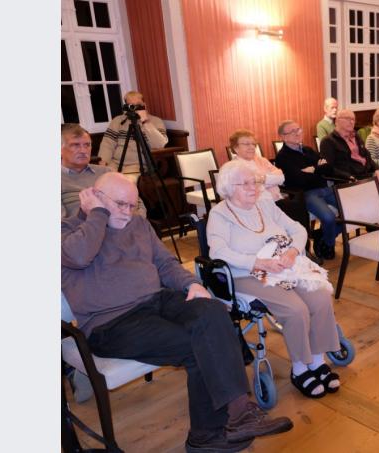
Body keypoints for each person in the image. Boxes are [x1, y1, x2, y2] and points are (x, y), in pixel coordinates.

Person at [62, 172, 293, 452]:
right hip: (110, 322)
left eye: (132, 205)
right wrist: (96, 215)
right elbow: (78, 256)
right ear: (94, 198)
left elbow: (165, 263)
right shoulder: (67, 231)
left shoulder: (137, 224)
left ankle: (239, 414)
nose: (127, 212)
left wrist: (192, 284)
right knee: (197, 347)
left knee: (214, 311)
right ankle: (205, 438)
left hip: (157, 301)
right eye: (120, 204)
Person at [207, 160, 344, 400]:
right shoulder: (219, 214)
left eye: (256, 182)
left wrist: (293, 251)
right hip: (247, 273)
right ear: (228, 188)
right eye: (245, 183)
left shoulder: (265, 204)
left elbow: (298, 229)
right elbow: (218, 252)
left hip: (283, 266)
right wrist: (258, 263)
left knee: (320, 296)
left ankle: (318, 360)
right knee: (295, 309)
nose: (254, 188)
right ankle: (301, 367)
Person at [274, 120, 341, 261]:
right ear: (283, 137)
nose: (298, 133)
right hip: (307, 193)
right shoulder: (282, 157)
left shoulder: (308, 150)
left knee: (352, 210)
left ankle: (320, 236)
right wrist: (318, 169)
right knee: (329, 217)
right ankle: (327, 244)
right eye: (293, 131)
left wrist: (313, 170)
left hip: (325, 188)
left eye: (299, 129)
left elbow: (329, 168)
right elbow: (298, 180)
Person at [61, 123, 146, 218]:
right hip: (87, 230)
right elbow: (63, 227)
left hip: (126, 227)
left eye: (87, 145)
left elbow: (137, 202)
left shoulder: (107, 172)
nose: (83, 150)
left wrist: (136, 223)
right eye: (75, 145)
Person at [98, 91, 168, 177]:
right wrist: (103, 162)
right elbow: (107, 144)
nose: (135, 108)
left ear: (144, 105)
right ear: (126, 107)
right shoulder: (118, 121)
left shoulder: (156, 121)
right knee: (103, 180)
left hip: (138, 165)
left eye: (138, 105)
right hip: (115, 163)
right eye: (131, 106)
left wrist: (145, 121)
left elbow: (160, 145)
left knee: (125, 183)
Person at [319, 109, 379, 181]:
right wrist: (347, 177)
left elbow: (368, 157)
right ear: (337, 121)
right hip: (349, 180)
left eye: (353, 119)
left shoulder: (356, 136)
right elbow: (328, 168)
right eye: (347, 119)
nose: (351, 122)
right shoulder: (328, 141)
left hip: (367, 175)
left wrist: (377, 169)